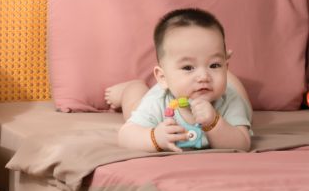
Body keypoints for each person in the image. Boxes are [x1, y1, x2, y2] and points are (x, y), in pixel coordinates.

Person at [105, 8, 252, 152]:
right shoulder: (157, 102)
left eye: (214, 65)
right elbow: (125, 136)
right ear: (162, 77)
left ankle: (220, 67)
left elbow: (242, 144)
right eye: (188, 67)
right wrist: (155, 137)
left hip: (227, 85)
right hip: (161, 93)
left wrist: (214, 123)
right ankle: (130, 88)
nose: (203, 76)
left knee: (236, 89)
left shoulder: (229, 100)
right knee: (134, 105)